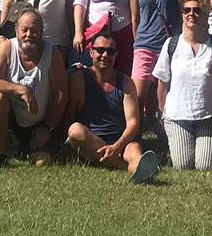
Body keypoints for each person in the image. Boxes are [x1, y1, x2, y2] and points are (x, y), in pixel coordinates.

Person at [64, 33, 160, 183]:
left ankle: (142, 172)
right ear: (91, 52)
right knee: (75, 130)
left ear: (116, 55)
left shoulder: (126, 82)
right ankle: (122, 166)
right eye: (100, 50)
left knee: (134, 150)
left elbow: (133, 123)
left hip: (120, 142)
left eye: (110, 51)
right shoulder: (80, 78)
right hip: (91, 141)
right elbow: (70, 113)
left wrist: (117, 146)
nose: (105, 55)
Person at [154, 0, 212, 171]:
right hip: (177, 117)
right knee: (183, 165)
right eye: (187, 10)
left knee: (205, 165)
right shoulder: (171, 44)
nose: (191, 14)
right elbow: (162, 85)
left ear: (204, 15)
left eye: (197, 10)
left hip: (210, 117)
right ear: (182, 14)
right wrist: (162, 115)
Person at [0, 10, 66, 166]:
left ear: (42, 32)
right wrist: (21, 90)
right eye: (24, 30)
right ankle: (1, 153)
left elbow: (61, 95)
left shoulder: (52, 53)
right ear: (16, 31)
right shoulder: (7, 48)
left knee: (43, 162)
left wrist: (47, 127)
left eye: (34, 31)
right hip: (10, 119)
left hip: (38, 124)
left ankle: (23, 149)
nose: (29, 34)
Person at [130, 0, 181, 135]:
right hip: (144, 45)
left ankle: (169, 136)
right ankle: (135, 136)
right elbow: (135, 18)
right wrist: (138, 42)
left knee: (166, 96)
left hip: (169, 47)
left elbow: (183, 12)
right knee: (138, 95)